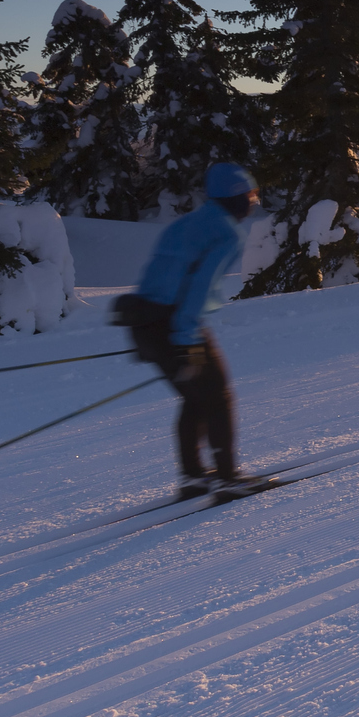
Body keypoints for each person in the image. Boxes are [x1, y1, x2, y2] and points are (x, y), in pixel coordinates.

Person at [120, 162, 265, 497]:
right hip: (177, 325)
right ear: (234, 195)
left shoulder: (186, 224)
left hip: (146, 323)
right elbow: (199, 287)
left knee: (194, 398)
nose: (253, 201)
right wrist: (187, 341)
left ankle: (193, 477)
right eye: (250, 194)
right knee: (217, 396)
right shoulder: (226, 232)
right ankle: (228, 479)